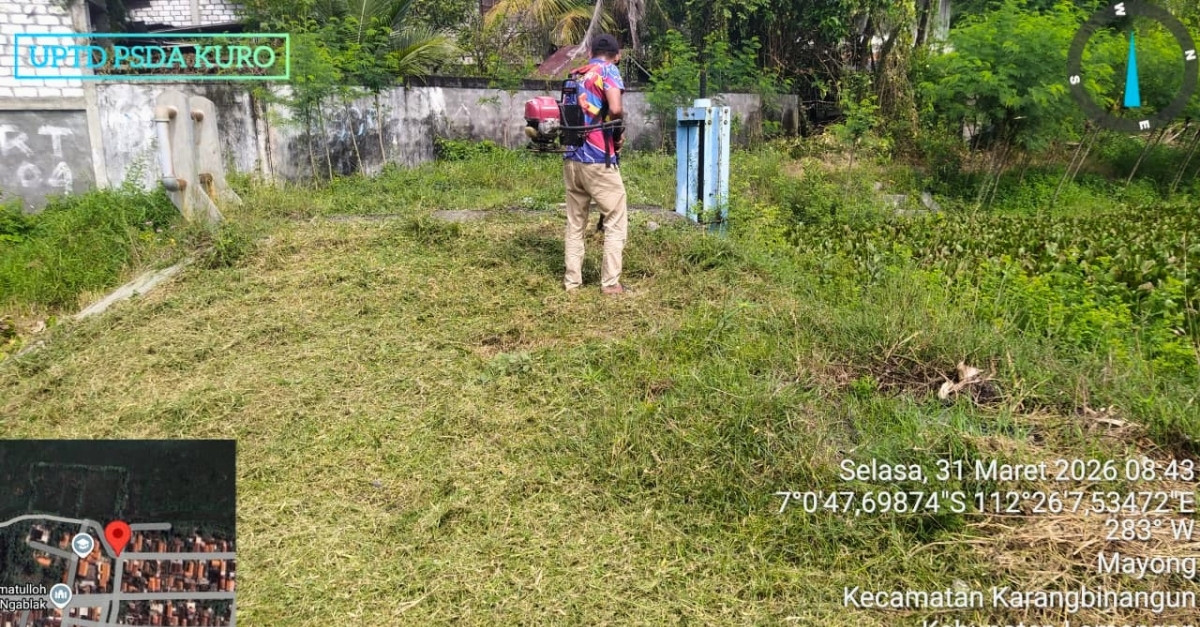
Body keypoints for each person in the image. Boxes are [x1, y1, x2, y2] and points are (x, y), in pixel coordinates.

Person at [563, 34, 630, 295]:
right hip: (597, 158)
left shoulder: (576, 74)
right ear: (618, 55)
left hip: (571, 158)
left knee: (575, 222)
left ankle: (572, 283)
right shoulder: (608, 70)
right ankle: (610, 284)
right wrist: (617, 131)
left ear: (591, 51)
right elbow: (615, 108)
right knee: (615, 218)